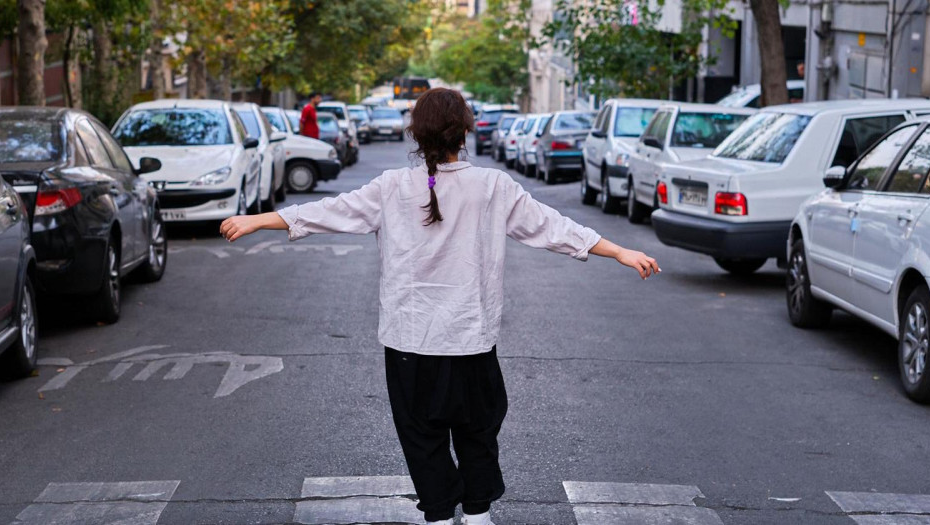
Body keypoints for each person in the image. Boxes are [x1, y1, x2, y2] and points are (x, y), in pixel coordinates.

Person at [219, 88, 659, 525]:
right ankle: (479, 515)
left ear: (416, 134)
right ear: (466, 129)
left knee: (422, 438)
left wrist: (258, 219)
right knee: (478, 434)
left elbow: (329, 211)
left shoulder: (392, 187)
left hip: (410, 344)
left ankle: (439, 516)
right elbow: (552, 227)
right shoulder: (492, 186)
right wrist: (619, 251)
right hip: (472, 342)